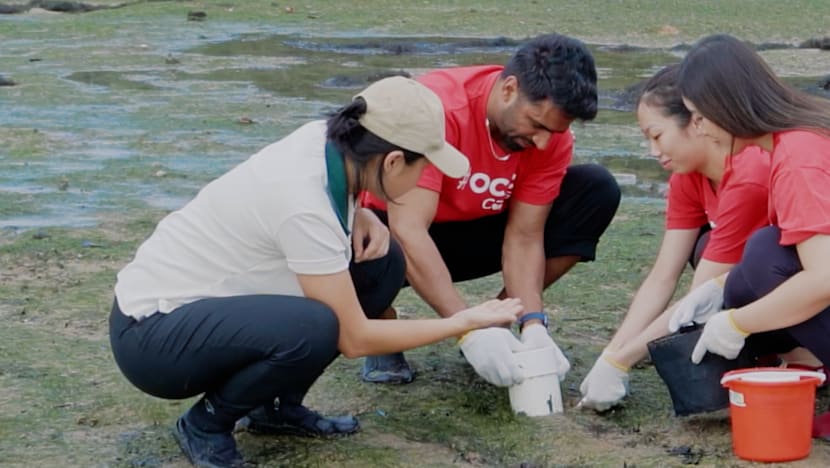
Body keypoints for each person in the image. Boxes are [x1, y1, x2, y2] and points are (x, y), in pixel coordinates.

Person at [109, 76, 525, 468]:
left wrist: (361, 212)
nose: (425, 178)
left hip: (208, 309)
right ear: (394, 161)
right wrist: (462, 323)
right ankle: (205, 424)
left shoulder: (332, 143)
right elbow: (355, 338)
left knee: (382, 265)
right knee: (317, 326)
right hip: (152, 336)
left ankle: (274, 407)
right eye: (424, 167)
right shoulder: (303, 203)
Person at [360, 33, 621, 386]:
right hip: (393, 236)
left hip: (477, 227)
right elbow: (408, 230)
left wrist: (532, 323)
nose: (543, 141)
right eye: (537, 124)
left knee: (596, 189)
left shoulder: (551, 139)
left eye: (554, 132)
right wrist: (467, 329)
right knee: (359, 237)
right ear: (509, 89)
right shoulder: (440, 109)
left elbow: (526, 236)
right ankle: (382, 329)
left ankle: (498, 323)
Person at [578, 64, 772, 411]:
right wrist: (612, 353)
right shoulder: (687, 176)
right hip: (752, 281)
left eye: (657, 135)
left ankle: (799, 356)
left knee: (737, 262)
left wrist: (625, 361)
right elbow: (663, 275)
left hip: (797, 283)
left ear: (697, 123)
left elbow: (700, 297)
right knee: (705, 247)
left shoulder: (749, 174)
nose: (653, 151)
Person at [667, 34, 830, 434]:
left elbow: (825, 276)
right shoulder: (793, 139)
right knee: (744, 274)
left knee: (762, 256)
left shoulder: (797, 158)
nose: (700, 130)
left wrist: (737, 323)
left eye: (699, 116)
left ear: (727, 103)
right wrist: (720, 286)